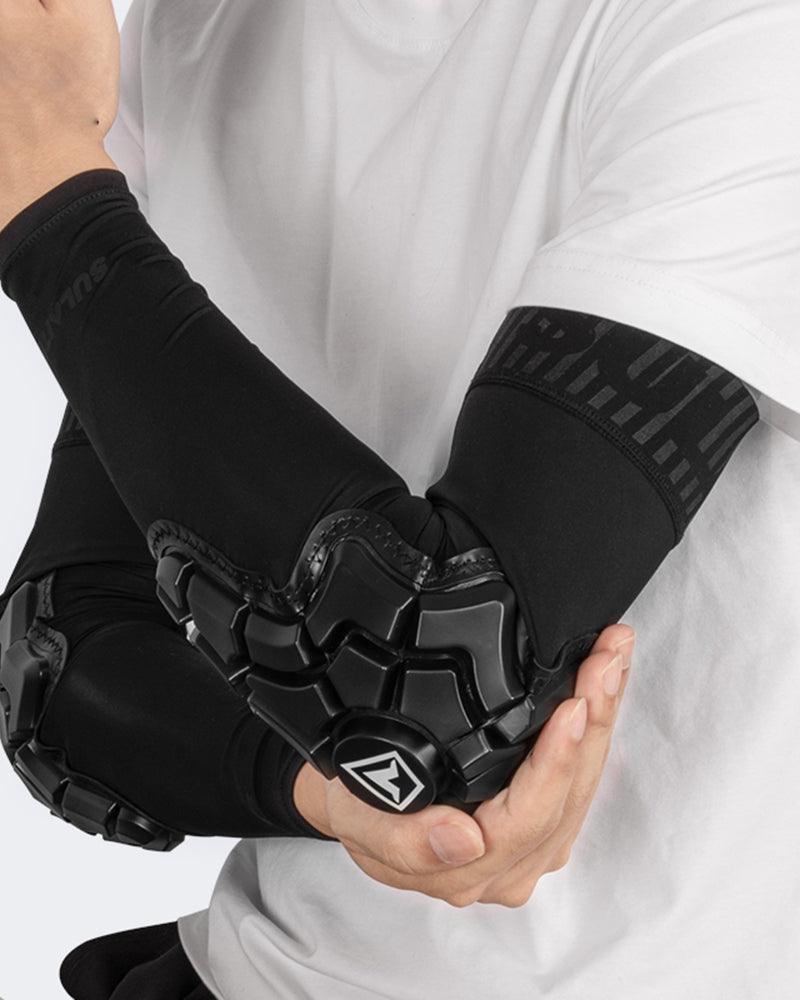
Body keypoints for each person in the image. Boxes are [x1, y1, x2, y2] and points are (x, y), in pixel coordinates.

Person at [0, 1, 797, 998]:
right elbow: (62, 660)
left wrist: (44, 177)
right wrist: (332, 795)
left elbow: (445, 670)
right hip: (257, 972)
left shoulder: (738, 34)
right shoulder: (197, 25)